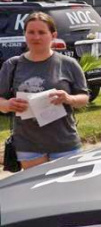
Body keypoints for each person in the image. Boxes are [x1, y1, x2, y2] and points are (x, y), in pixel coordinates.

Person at [0, 12, 89, 169]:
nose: (36, 37)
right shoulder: (12, 65)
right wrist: (8, 104)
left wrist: (68, 98)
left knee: (68, 192)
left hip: (65, 143)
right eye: (31, 32)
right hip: (28, 146)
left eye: (41, 32)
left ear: (53, 35)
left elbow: (84, 98)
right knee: (37, 192)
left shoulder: (68, 64)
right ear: (24, 34)